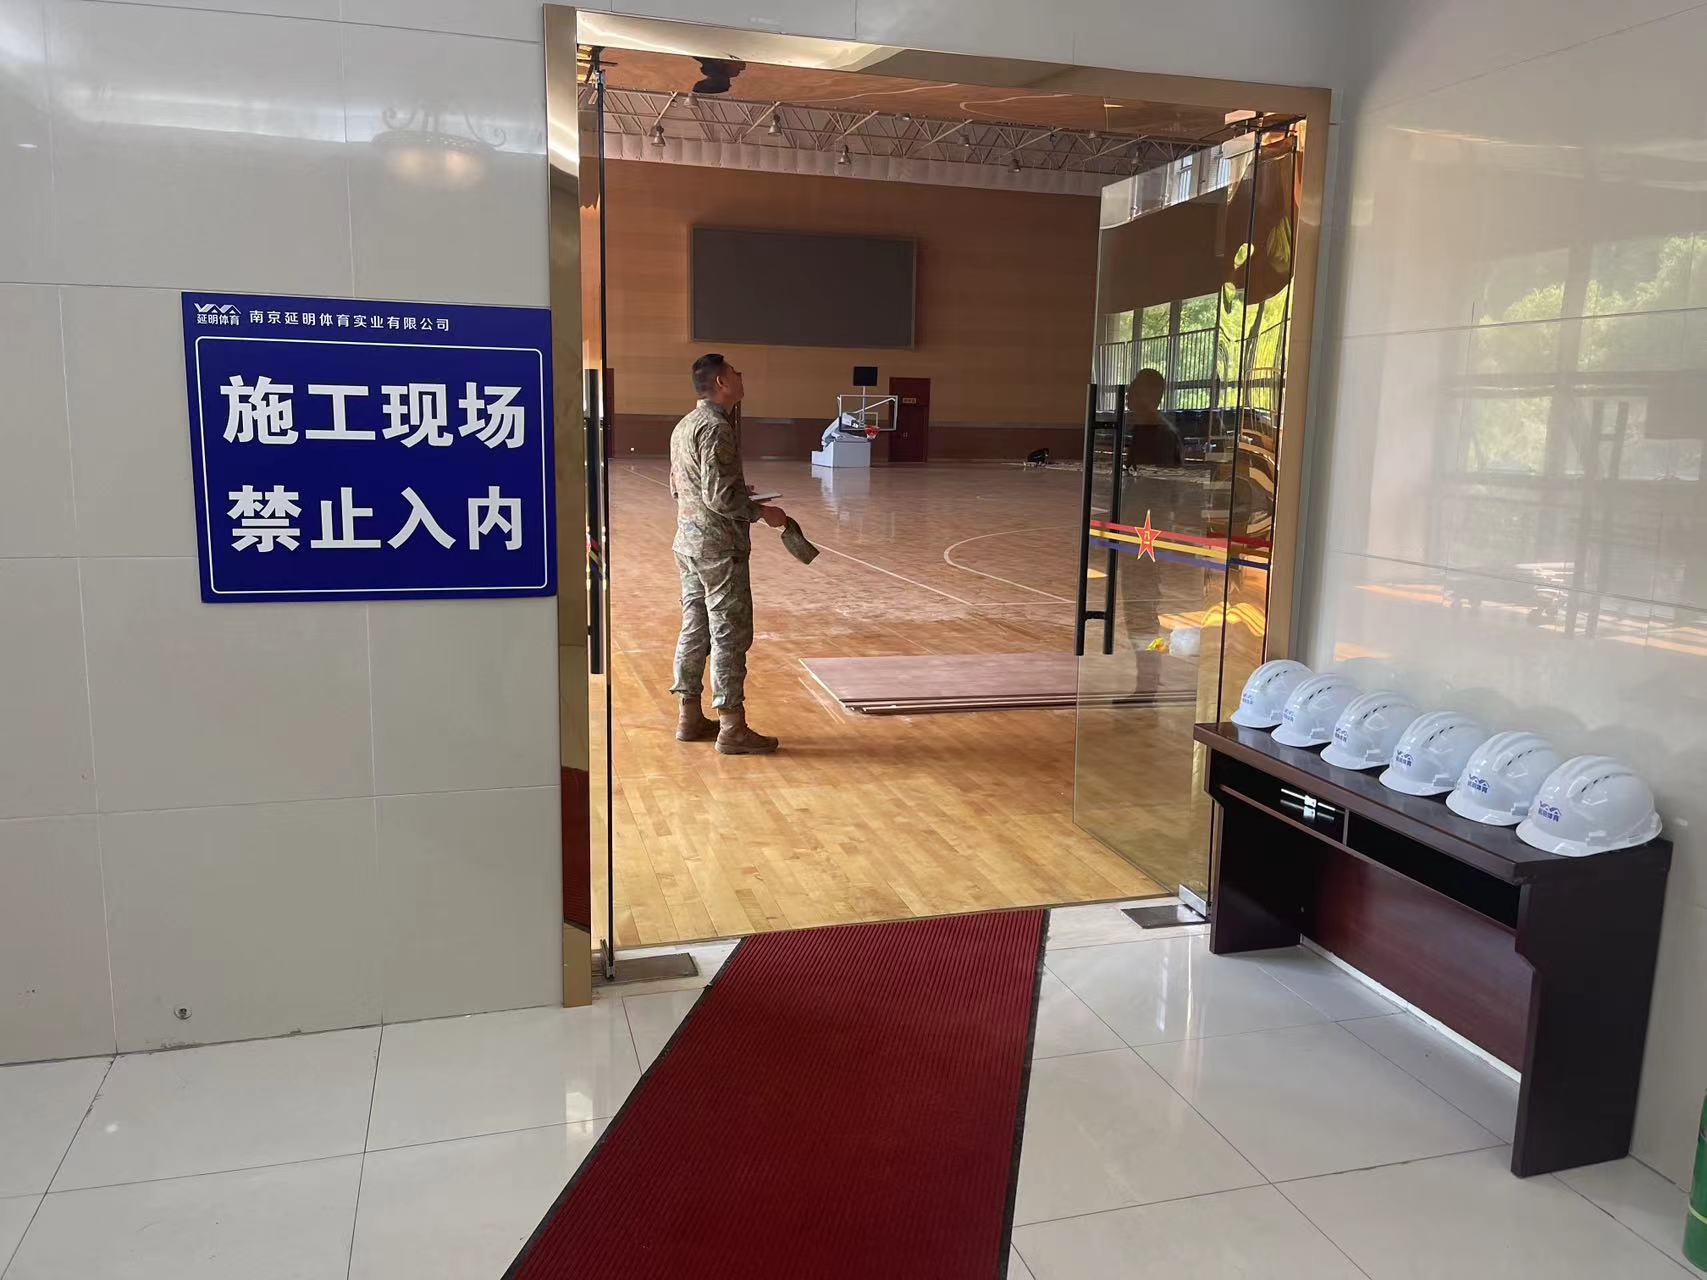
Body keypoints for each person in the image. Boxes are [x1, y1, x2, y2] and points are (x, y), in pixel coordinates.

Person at [668, 354, 787, 755]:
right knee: (729, 634)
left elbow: (680, 487)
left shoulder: (684, 426)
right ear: (721, 382)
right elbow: (719, 498)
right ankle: (732, 726)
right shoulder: (717, 428)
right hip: (719, 548)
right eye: (735, 373)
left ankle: (688, 717)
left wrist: (737, 492)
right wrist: (762, 512)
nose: (740, 377)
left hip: (688, 543)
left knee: (695, 628)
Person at [1124, 367, 1183, 468]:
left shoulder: (1164, 435)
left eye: (1135, 388)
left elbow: (1160, 474)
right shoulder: (1141, 428)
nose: (1128, 392)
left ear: (1151, 396)